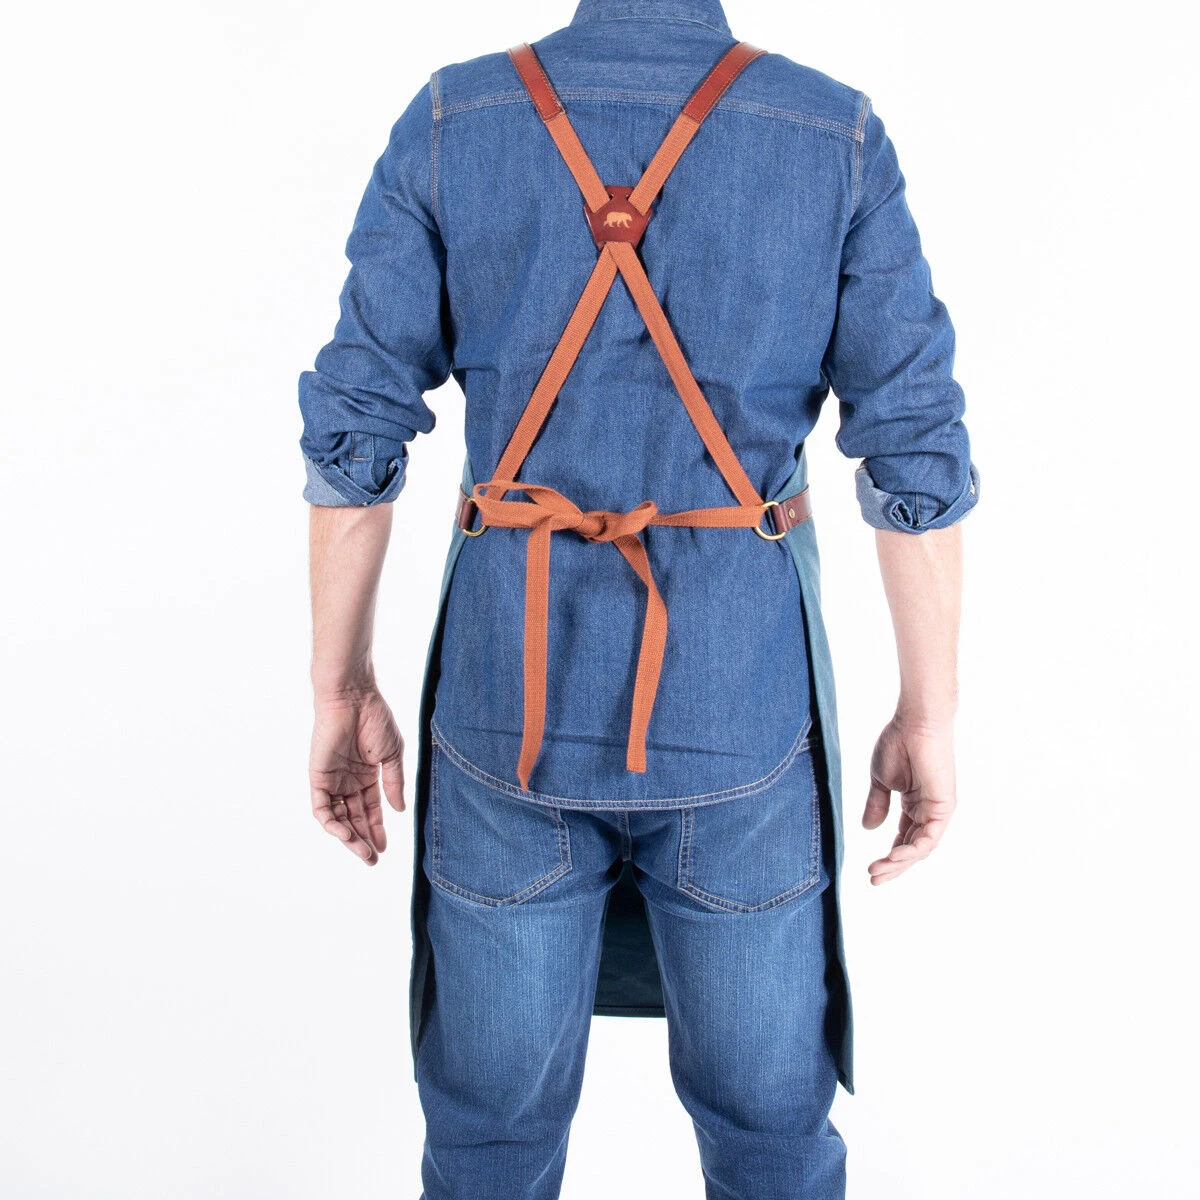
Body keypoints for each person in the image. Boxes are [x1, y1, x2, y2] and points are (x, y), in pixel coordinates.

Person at [298, 1, 978, 1196]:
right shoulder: (831, 133)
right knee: (771, 1139)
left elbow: (355, 435)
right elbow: (915, 452)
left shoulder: (457, 116)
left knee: (489, 1143)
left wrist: (339, 686)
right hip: (741, 714)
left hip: (505, 714)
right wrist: (928, 714)